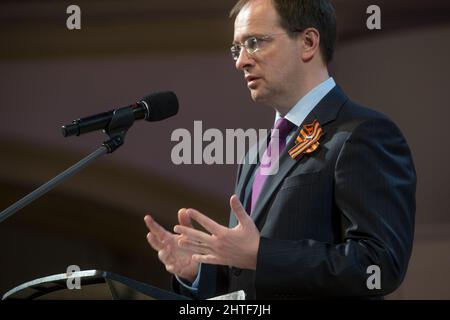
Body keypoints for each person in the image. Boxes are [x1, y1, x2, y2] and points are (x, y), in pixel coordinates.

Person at [144, 0, 416, 299]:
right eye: (237, 49)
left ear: (308, 43)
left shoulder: (363, 132)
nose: (241, 61)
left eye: (255, 42)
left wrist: (261, 254)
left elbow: (379, 264)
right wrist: (199, 272)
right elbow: (247, 282)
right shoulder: (255, 155)